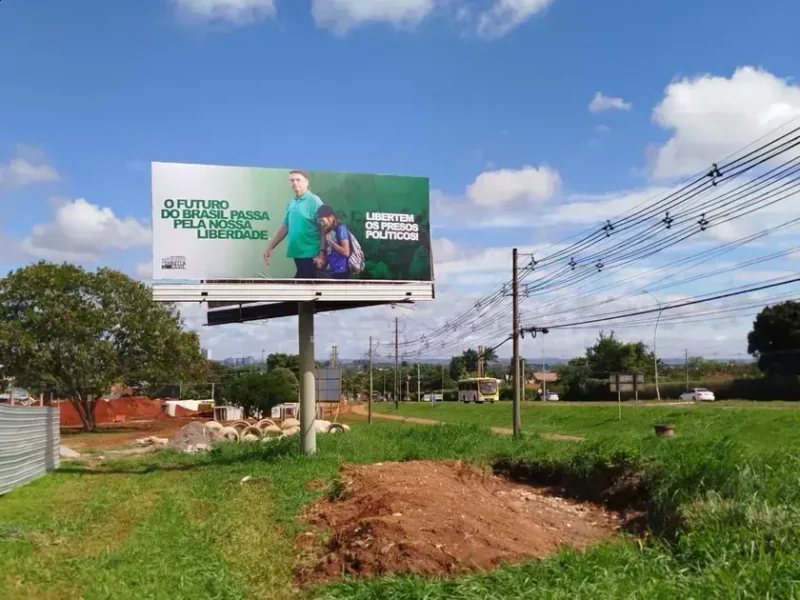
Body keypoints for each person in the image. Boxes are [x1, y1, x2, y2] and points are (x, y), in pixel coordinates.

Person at [263, 170, 326, 279]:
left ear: (306, 182)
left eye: (298, 180)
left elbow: (325, 228)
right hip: (297, 252)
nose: (295, 183)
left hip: (311, 254)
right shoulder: (291, 203)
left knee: (302, 286)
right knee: (301, 286)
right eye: (292, 180)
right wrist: (270, 248)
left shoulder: (314, 201)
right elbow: (285, 226)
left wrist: (322, 253)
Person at [316, 205, 351, 280]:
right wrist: (322, 258)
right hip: (332, 269)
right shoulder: (330, 228)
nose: (321, 224)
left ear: (331, 217)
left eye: (323, 221)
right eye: (320, 221)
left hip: (341, 271)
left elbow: (346, 252)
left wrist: (331, 242)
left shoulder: (341, 228)